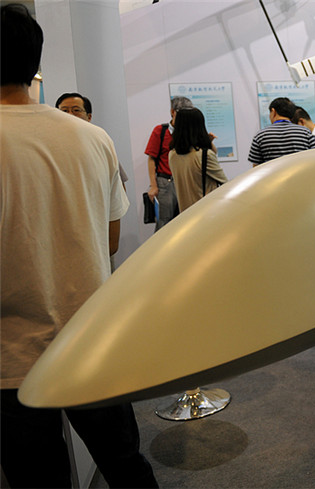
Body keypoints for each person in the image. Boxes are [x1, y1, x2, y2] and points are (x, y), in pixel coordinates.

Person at [0, 4, 158, 487]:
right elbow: (109, 240)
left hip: (12, 356)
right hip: (91, 337)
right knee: (126, 466)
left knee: (39, 478)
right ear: (35, 64)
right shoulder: (93, 137)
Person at [56, 92, 130, 187]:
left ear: (89, 117)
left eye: (76, 110)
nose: (70, 114)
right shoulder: (51, 146)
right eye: (64, 111)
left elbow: (118, 183)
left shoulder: (101, 141)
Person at [145, 95, 193, 230]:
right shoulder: (160, 131)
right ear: (173, 112)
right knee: (164, 224)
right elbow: (151, 159)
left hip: (186, 182)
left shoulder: (190, 133)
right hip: (165, 183)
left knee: (188, 222)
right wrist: (153, 186)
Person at [169, 107, 228, 211]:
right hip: (207, 213)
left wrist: (207, 142)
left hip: (185, 213)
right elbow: (226, 184)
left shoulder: (172, 155)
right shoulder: (204, 155)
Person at [248, 97, 315, 166]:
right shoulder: (305, 133)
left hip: (274, 173)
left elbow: (256, 168)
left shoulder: (260, 136)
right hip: (300, 173)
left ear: (273, 111)